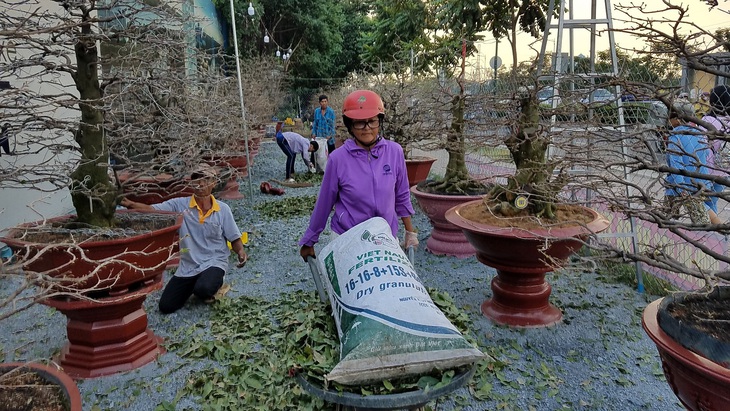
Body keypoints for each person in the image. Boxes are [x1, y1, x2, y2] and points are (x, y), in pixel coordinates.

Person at [299, 89, 418, 261]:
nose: (367, 128)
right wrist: (310, 240)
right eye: (359, 123)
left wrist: (409, 232)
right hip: (348, 237)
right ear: (350, 125)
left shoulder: (394, 152)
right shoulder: (338, 159)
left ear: (380, 121)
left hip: (385, 237)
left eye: (372, 121)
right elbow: (324, 202)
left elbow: (402, 194)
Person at [121, 163, 247, 314]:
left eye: (205, 180)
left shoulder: (223, 210)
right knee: (166, 306)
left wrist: (240, 252)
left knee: (204, 289)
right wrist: (128, 203)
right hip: (188, 266)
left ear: (214, 183)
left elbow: (234, 238)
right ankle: (195, 284)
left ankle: (210, 284)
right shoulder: (180, 205)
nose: (200, 183)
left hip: (214, 262)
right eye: (196, 179)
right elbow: (153, 210)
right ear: (191, 183)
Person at [665, 102, 716, 225]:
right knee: (703, 212)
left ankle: (721, 232)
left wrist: (681, 188)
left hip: (682, 184)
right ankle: (721, 230)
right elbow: (705, 156)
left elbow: (676, 164)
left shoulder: (675, 136)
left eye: (669, 116)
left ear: (677, 118)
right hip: (702, 180)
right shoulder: (699, 133)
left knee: (670, 216)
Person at [700, 84, 730, 225]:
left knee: (700, 200)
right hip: (724, 168)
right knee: (713, 201)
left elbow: (699, 144)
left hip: (706, 168)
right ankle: (714, 233)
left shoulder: (707, 121)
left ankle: (719, 230)